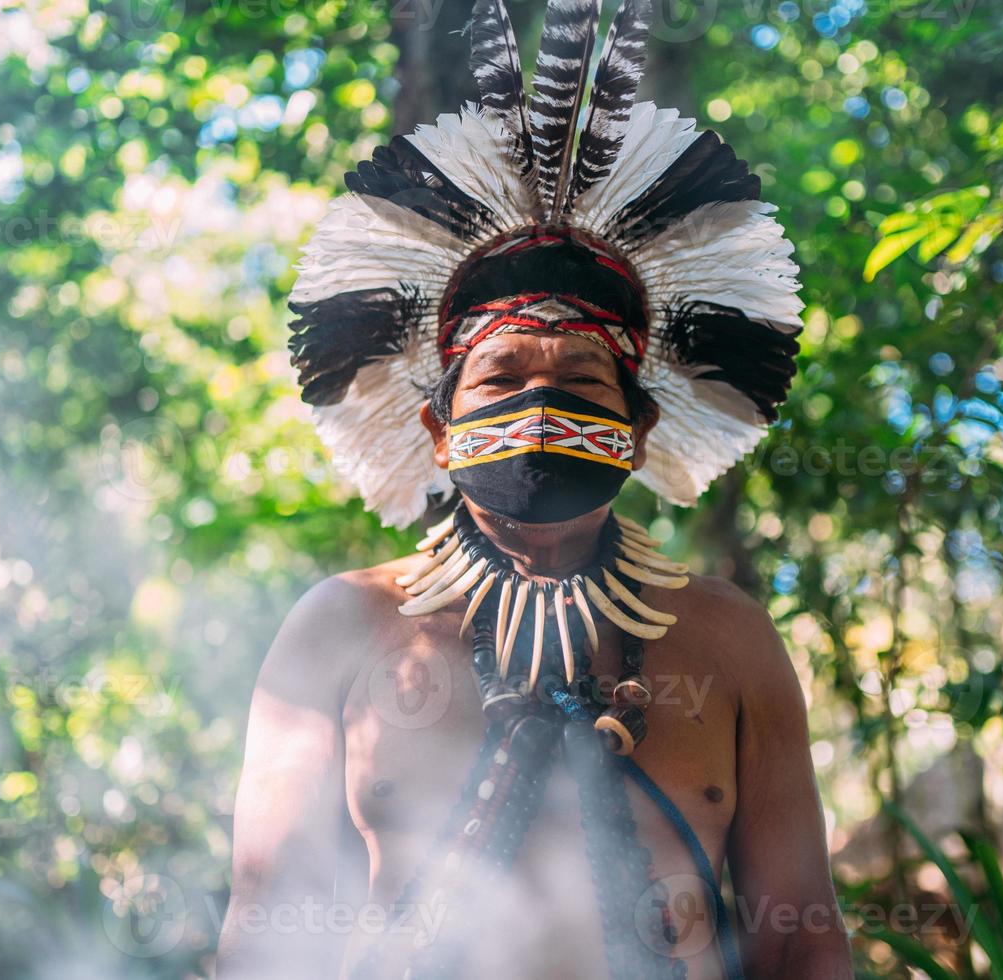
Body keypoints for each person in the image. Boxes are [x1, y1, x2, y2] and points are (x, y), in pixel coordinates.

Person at [217, 0, 852, 976]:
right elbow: (269, 926)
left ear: (639, 432)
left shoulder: (728, 643)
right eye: (503, 379)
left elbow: (800, 943)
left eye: (583, 386)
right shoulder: (342, 627)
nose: (544, 412)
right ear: (437, 425)